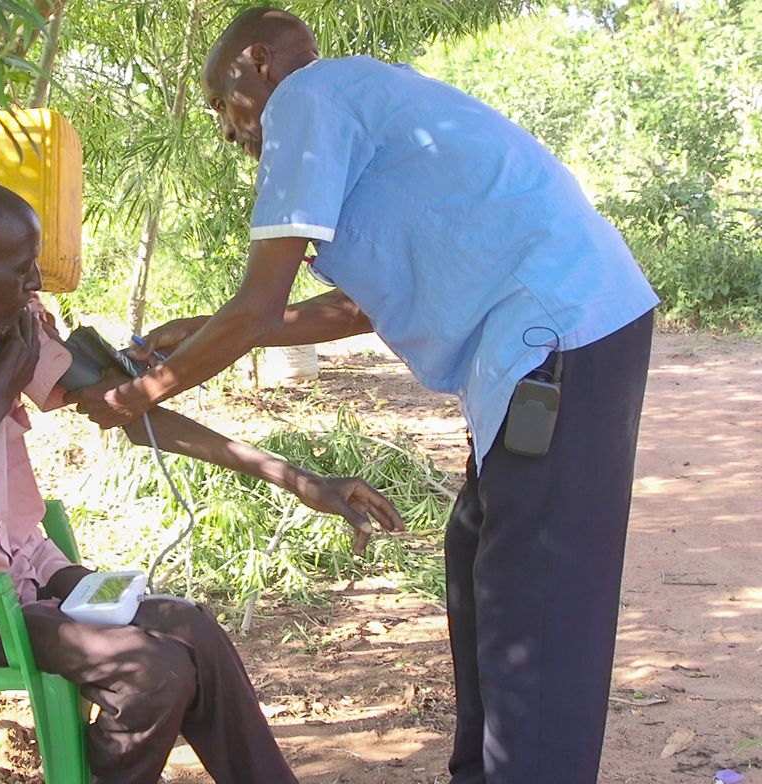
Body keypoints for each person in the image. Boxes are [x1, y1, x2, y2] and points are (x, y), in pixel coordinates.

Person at [66, 7, 658, 783]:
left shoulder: (307, 100)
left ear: (258, 63)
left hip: (560, 338)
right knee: (478, 556)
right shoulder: (363, 104)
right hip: (554, 342)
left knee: (535, 609)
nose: (225, 130)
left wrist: (144, 392)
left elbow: (256, 309)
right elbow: (349, 310)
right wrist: (191, 329)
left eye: (221, 104)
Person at [0, 175, 404, 784]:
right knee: (152, 674)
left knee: (193, 631)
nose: (36, 282)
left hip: (22, 569)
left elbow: (124, 407)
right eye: (20, 269)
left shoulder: (3, 324)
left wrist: (301, 481)